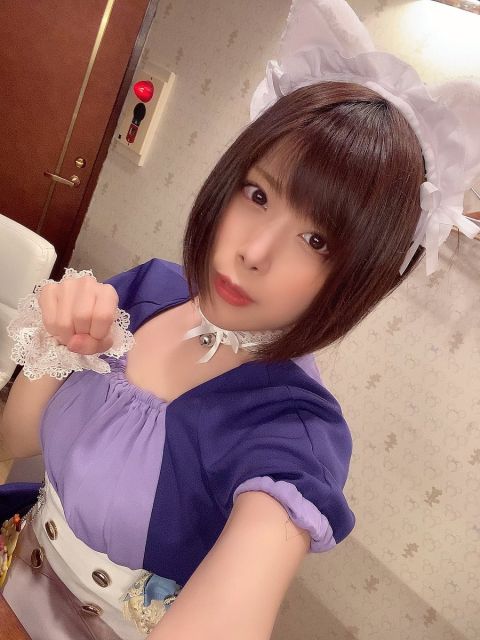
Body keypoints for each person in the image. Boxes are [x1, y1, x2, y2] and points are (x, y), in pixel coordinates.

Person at [1, 0, 479, 638]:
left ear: (360, 276)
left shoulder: (290, 433)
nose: (254, 251)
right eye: (257, 194)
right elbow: (18, 441)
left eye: (317, 240)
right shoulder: (150, 290)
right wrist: (57, 346)